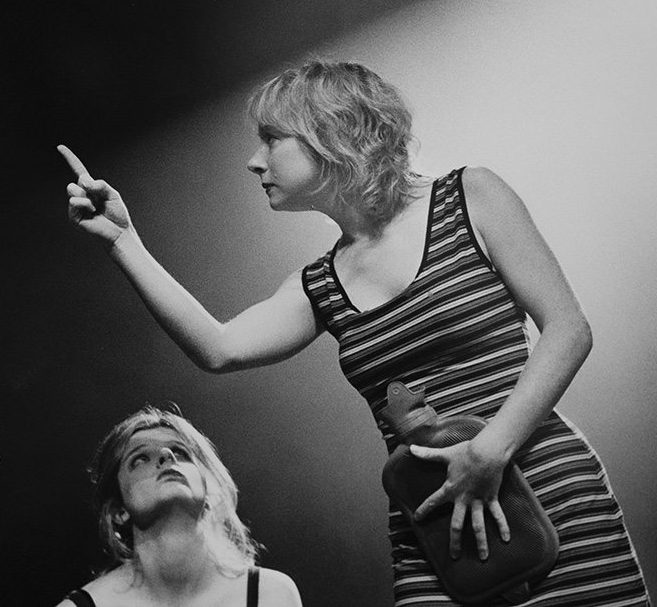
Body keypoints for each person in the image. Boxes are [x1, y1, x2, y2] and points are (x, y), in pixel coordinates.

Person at [58, 60, 652, 605]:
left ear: (331, 133)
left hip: (542, 488)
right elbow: (218, 348)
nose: (253, 160)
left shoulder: (470, 196)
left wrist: (488, 450)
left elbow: (568, 330)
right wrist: (123, 241)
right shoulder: (320, 284)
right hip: (433, 518)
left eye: (271, 139)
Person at [57, 406, 303, 607]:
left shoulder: (271, 596)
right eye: (140, 459)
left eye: (181, 452)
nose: (166, 457)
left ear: (210, 490)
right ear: (118, 510)